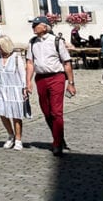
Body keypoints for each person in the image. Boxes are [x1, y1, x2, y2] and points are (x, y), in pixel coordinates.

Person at [25, 15, 76, 156]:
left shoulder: (56, 41)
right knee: (46, 111)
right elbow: (30, 63)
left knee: (56, 112)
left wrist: (71, 83)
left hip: (56, 77)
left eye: (36, 24)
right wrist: (28, 82)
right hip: (40, 78)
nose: (33, 27)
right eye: (33, 24)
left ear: (45, 26)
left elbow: (67, 62)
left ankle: (57, 143)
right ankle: (58, 136)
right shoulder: (32, 42)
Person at [0, 34, 27, 151]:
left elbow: (23, 75)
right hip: (2, 89)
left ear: (5, 46)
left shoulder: (16, 58)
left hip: (15, 89)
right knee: (3, 113)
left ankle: (18, 139)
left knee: (16, 115)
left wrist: (25, 89)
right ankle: (10, 134)